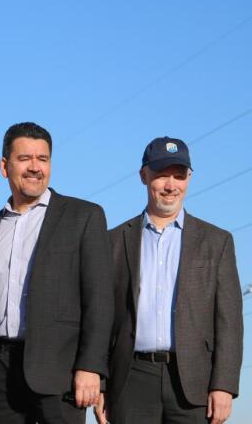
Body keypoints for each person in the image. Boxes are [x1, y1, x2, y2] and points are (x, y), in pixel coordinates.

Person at [0, 122, 113, 424]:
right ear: (5, 166)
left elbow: (100, 300)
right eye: (25, 159)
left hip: (61, 374)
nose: (35, 168)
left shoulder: (84, 216)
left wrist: (91, 367)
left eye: (42, 159)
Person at [95, 137, 242, 424]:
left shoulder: (217, 242)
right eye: (162, 174)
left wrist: (224, 385)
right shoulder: (112, 241)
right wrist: (100, 384)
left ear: (189, 178)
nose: (171, 185)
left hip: (193, 384)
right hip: (130, 381)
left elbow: (229, 321)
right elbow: (100, 318)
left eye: (179, 175)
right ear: (143, 175)